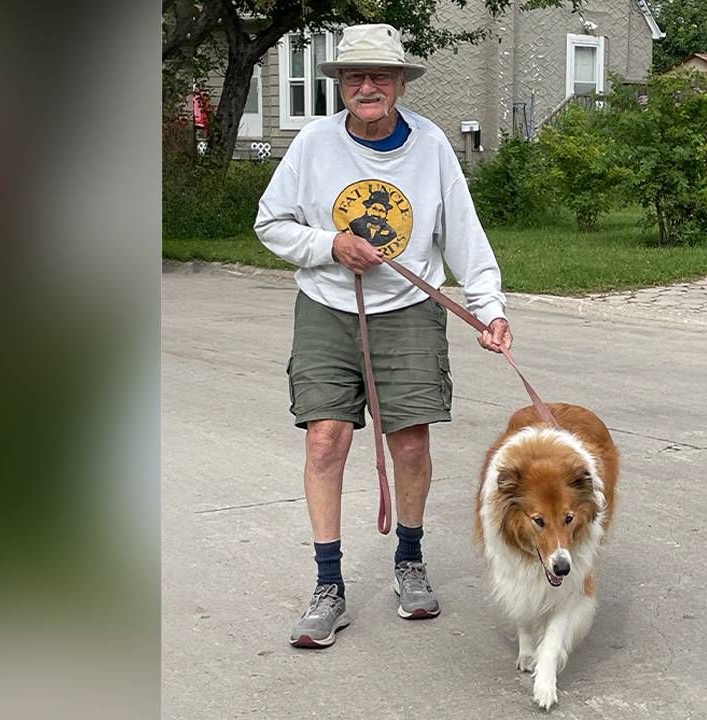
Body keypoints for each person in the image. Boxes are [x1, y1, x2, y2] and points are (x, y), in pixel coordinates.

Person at [253, 23, 513, 649]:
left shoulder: (430, 147)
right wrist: (329, 244)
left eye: (379, 77)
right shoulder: (313, 143)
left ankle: (410, 560)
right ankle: (328, 586)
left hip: (407, 307)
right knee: (325, 441)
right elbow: (270, 223)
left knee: (413, 443)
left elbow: (463, 234)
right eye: (353, 77)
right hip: (327, 306)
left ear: (399, 83)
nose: (366, 87)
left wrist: (488, 308)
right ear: (341, 84)